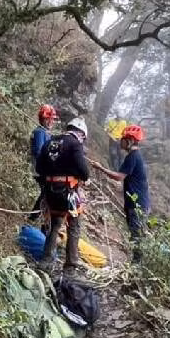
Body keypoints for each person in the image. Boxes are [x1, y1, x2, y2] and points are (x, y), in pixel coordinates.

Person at [35, 117, 91, 277]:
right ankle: (70, 268)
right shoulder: (75, 144)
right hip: (68, 193)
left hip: (50, 193)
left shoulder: (50, 141)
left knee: (54, 224)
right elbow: (84, 172)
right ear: (81, 133)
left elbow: (39, 168)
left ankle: (45, 261)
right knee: (74, 225)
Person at [90, 124, 150, 263]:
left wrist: (101, 168)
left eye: (123, 139)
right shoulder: (134, 156)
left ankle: (137, 266)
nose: (120, 141)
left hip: (137, 204)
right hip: (137, 202)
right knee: (136, 234)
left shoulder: (133, 157)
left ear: (130, 140)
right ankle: (137, 264)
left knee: (136, 236)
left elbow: (119, 177)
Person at [29, 104, 58, 222]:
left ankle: (36, 217)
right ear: (45, 119)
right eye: (51, 119)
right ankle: (33, 217)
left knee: (46, 193)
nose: (52, 122)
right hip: (40, 169)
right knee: (46, 192)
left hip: (41, 168)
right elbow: (39, 151)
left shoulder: (45, 132)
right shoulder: (40, 132)